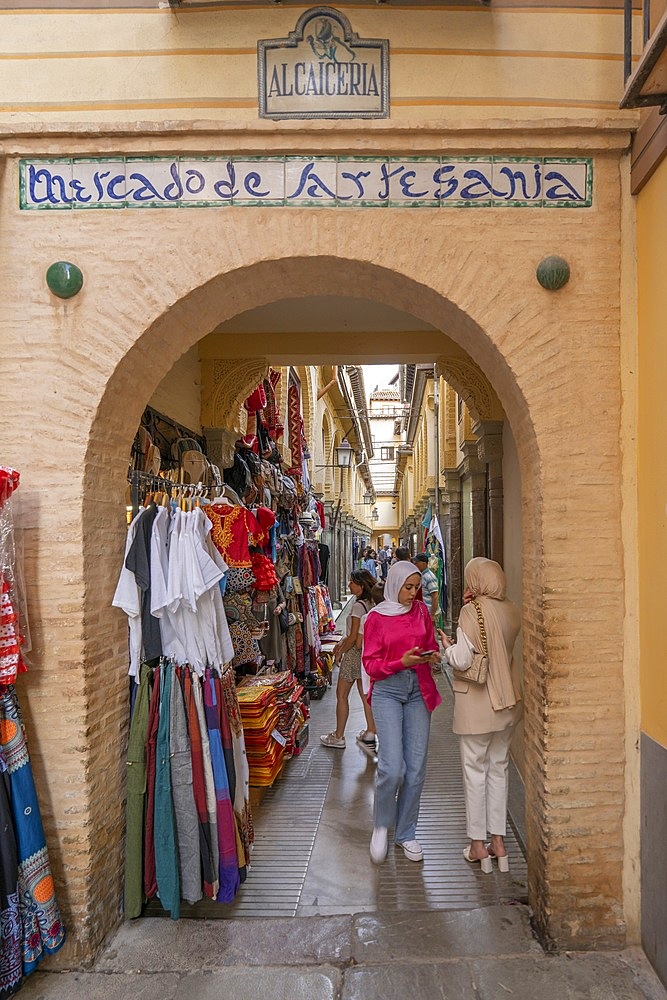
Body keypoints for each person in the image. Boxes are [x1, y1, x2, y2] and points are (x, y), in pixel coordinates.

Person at [438, 557, 521, 874]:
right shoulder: (511, 609)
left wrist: (448, 645)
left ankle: (477, 845)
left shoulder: (471, 612)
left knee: (475, 774)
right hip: (507, 705)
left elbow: (461, 660)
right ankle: (499, 842)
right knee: (498, 770)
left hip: (477, 705)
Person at [362, 561, 442, 864]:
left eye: (416, 587)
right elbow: (371, 665)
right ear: (395, 585)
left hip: (419, 689)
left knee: (416, 768)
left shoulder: (422, 611)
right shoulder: (376, 619)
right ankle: (382, 824)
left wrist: (431, 655)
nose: (413, 593)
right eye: (408, 587)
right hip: (388, 692)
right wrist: (401, 663)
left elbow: (429, 642)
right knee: (392, 767)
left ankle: (406, 832)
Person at [320, 569, 378, 750]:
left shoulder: (358, 607)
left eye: (352, 582)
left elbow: (353, 636)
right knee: (365, 695)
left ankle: (338, 736)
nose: (348, 585)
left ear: (360, 585)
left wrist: (339, 652)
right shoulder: (372, 602)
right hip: (367, 653)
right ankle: (370, 732)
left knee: (342, 695)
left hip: (354, 655)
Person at [413, 552, 439, 625]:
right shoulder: (421, 575)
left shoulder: (429, 577)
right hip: (423, 611)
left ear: (424, 563)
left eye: (417, 563)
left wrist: (432, 614)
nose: (416, 564)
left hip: (429, 611)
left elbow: (435, 596)